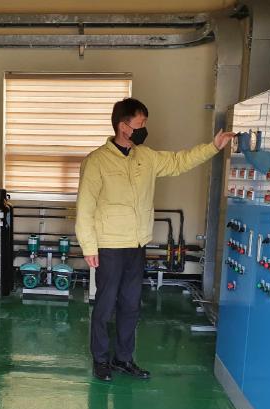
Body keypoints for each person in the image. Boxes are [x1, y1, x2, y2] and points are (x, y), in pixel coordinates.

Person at [75, 98, 234, 381]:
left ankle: (123, 358)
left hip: (137, 244)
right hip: (109, 245)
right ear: (123, 126)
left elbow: (179, 161)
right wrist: (88, 246)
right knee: (105, 305)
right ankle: (100, 360)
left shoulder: (146, 157)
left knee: (131, 305)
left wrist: (213, 147)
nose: (144, 129)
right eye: (140, 124)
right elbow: (85, 206)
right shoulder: (96, 161)